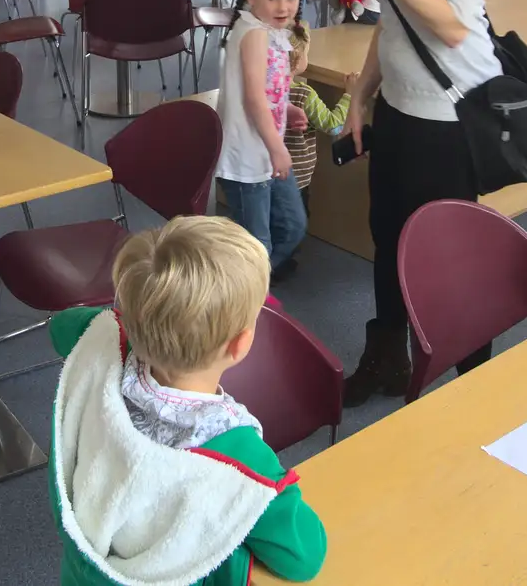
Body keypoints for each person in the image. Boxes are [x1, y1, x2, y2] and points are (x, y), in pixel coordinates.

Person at [313, 0, 500, 406]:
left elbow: (453, 24)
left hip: (447, 117)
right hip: (399, 103)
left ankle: (475, 383)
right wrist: (363, 94)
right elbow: (396, 21)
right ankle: (386, 358)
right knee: (389, 237)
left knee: (446, 259)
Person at [47, 216, 327, 586]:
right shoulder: (238, 458)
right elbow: (305, 556)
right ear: (240, 345)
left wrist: (131, 318)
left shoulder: (104, 342)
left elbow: (60, 327)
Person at [215, 0, 307, 277]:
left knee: (293, 225)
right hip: (249, 160)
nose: (283, 6)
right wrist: (278, 148)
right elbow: (254, 99)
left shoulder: (268, 28)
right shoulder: (254, 32)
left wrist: (287, 108)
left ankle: (253, 285)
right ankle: (246, 300)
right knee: (258, 245)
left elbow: (265, 92)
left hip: (265, 153)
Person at [283, 22, 353, 197]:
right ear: (298, 58)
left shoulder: (263, 91)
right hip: (298, 177)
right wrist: (349, 95)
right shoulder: (304, 94)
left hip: (271, 173)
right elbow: (333, 126)